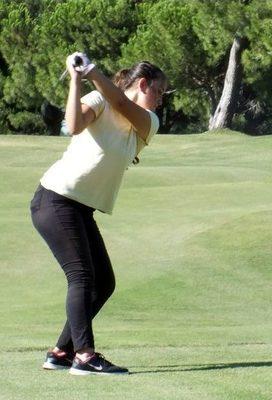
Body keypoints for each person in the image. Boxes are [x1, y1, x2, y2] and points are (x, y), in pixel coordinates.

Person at [30, 53, 167, 376]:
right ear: (143, 84)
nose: (161, 100)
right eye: (159, 92)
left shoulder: (148, 122)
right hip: (55, 198)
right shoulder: (97, 99)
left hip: (79, 207)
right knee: (81, 277)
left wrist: (91, 71)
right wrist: (77, 79)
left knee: (103, 282)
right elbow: (74, 126)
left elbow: (120, 103)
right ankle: (85, 356)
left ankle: (61, 351)